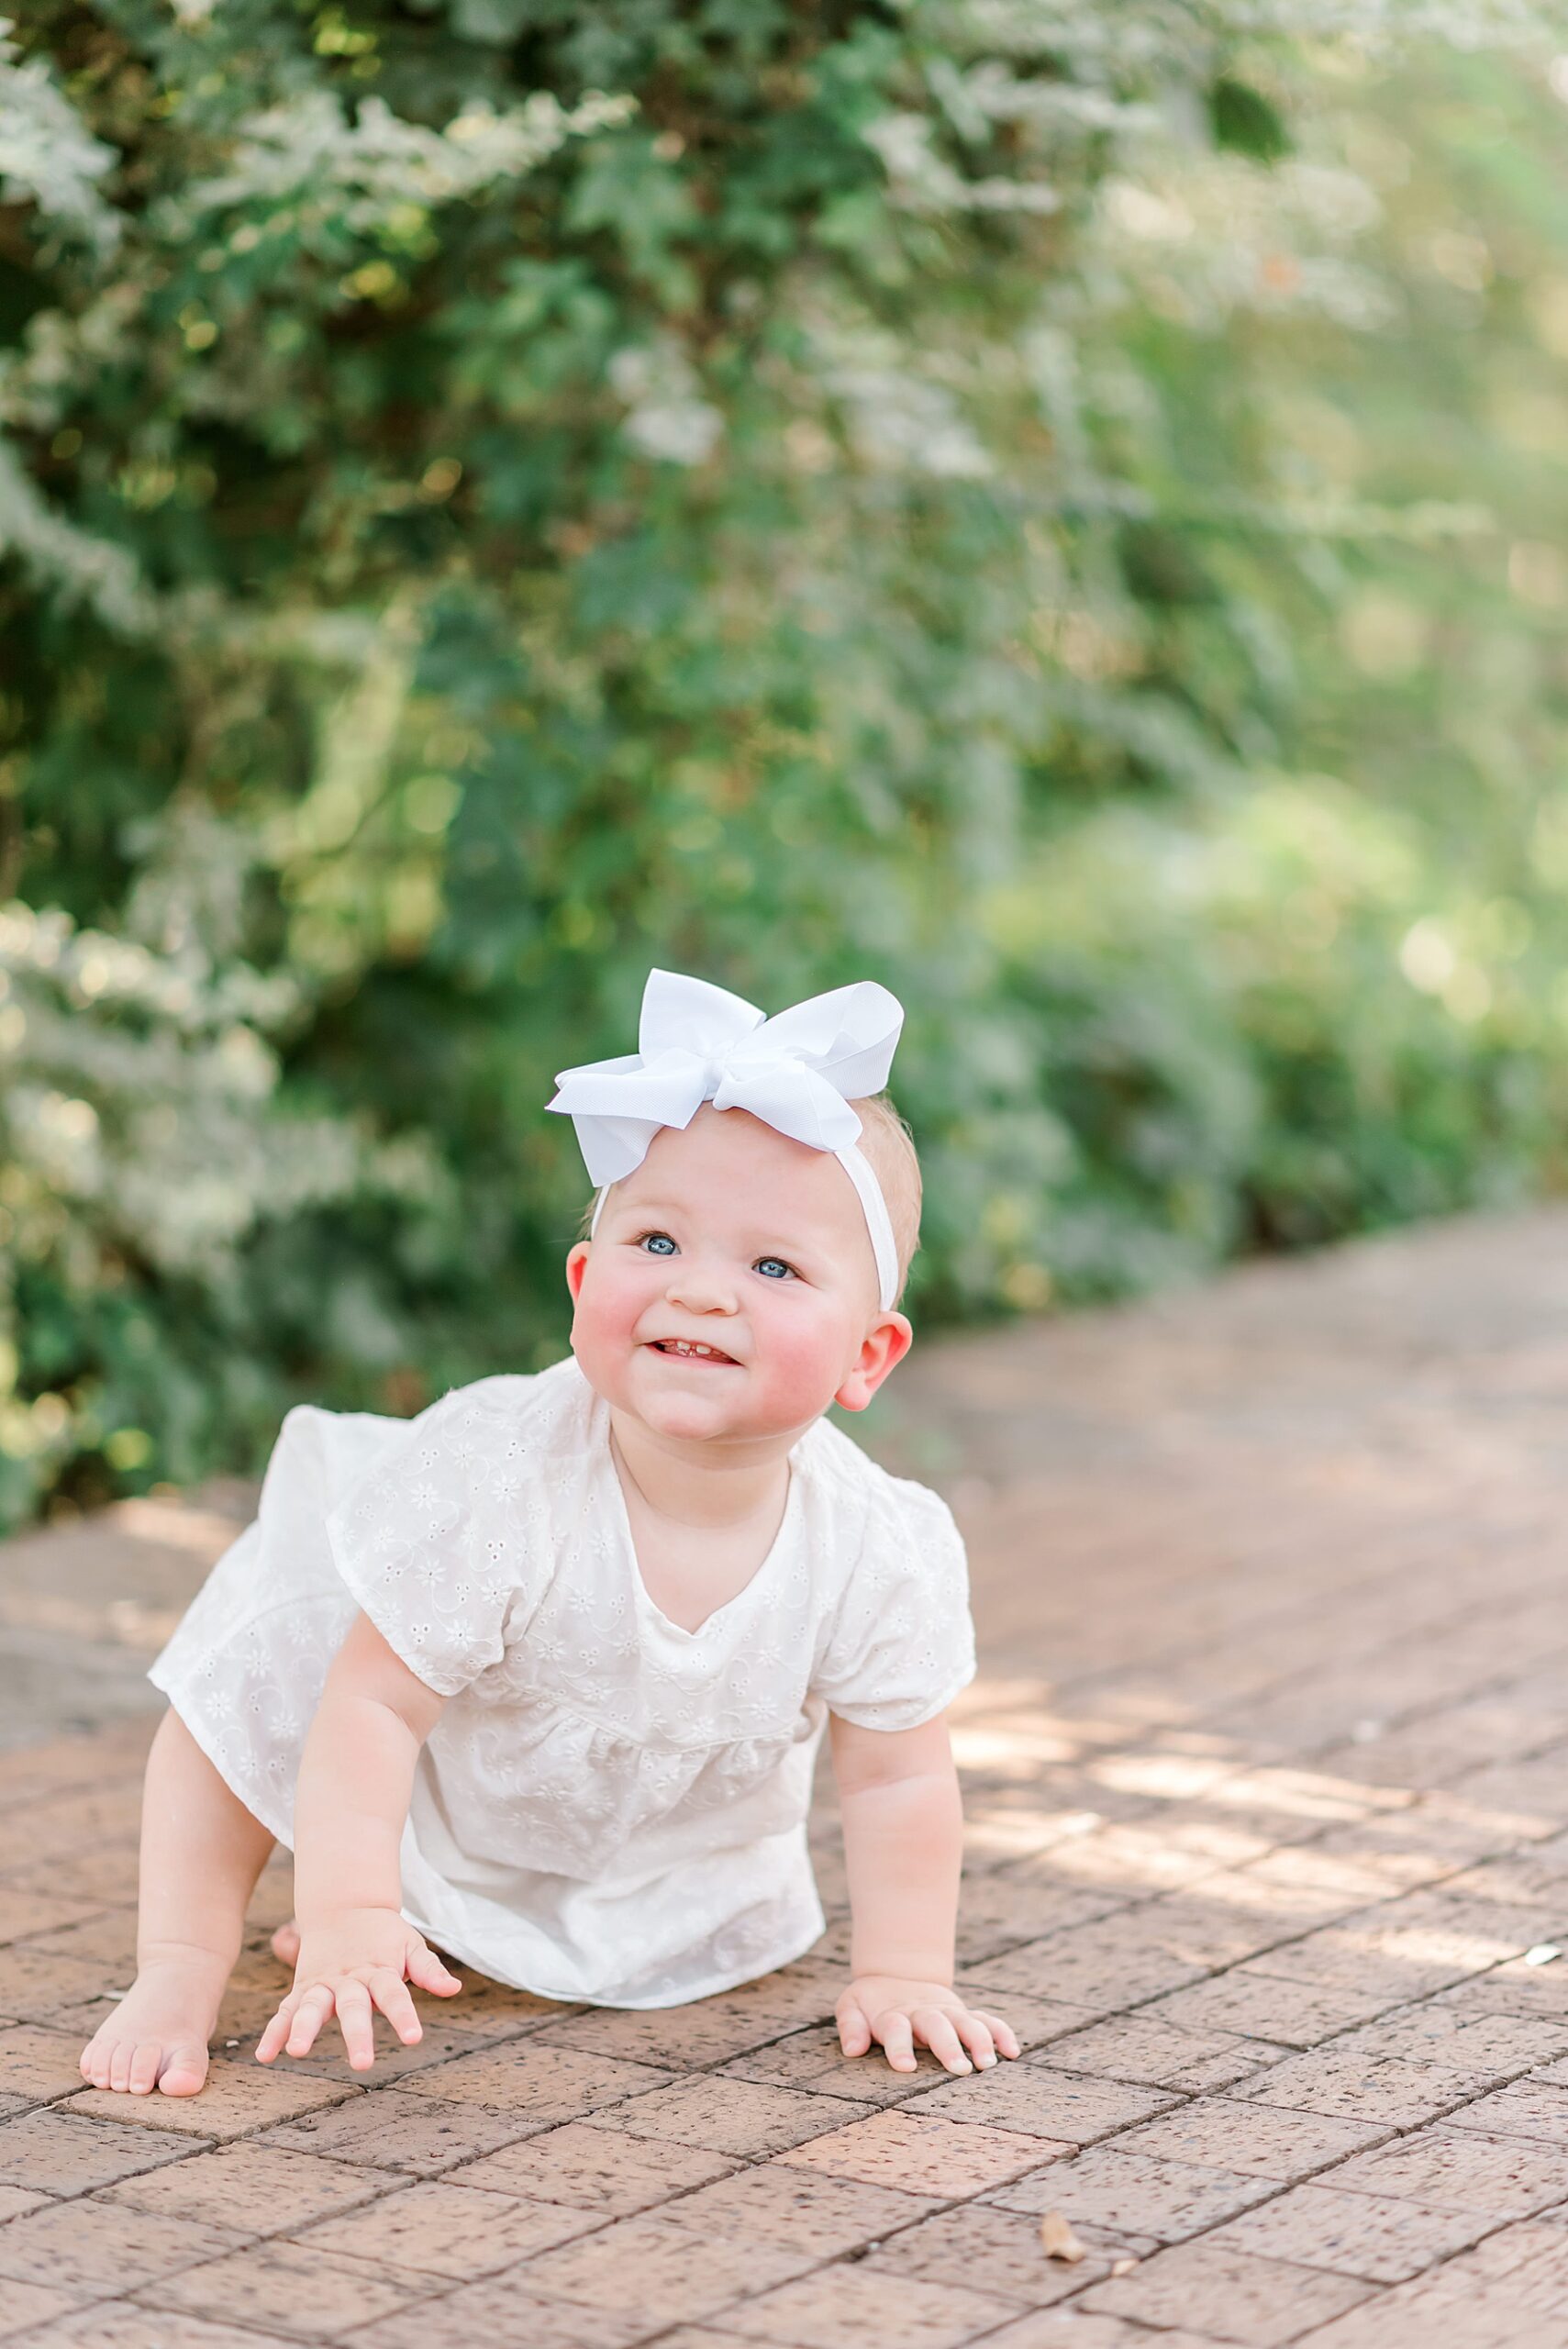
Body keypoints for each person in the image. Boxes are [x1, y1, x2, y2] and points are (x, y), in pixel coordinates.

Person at [78, 969, 1020, 2098]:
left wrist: (905, 1970)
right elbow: (372, 1708)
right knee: (258, 1677)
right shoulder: (503, 1487)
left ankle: (433, 1909)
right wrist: (346, 1909)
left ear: (867, 1355)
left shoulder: (871, 1546)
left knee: (515, 1868)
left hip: (637, 1845)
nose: (704, 1293)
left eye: (771, 1266)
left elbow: (896, 1781)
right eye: (658, 1242)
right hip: (409, 1750)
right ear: (584, 1285)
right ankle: (183, 1965)